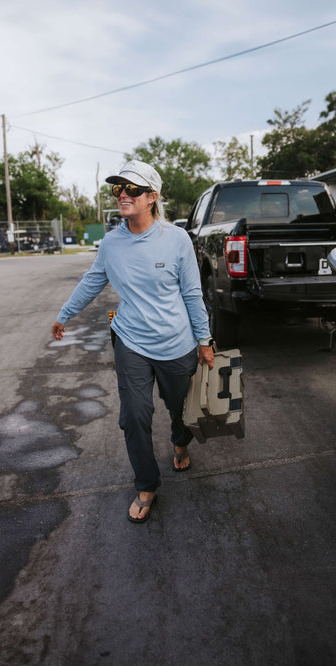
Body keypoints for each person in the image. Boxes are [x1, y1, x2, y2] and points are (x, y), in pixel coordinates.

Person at [51, 160, 214, 523]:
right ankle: (146, 485)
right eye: (119, 188)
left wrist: (204, 339)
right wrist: (64, 314)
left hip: (177, 343)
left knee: (179, 410)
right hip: (132, 341)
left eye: (133, 189)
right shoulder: (112, 243)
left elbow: (192, 294)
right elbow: (93, 280)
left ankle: (180, 441)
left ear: (152, 198)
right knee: (134, 415)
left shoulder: (176, 240)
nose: (123, 194)